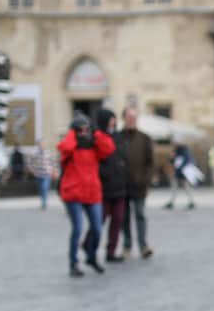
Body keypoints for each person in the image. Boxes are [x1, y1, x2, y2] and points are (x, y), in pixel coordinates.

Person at [58, 111, 115, 277]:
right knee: (77, 228)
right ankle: (73, 263)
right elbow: (65, 147)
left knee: (97, 228)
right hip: (73, 192)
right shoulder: (71, 148)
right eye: (80, 130)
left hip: (92, 192)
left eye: (86, 129)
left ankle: (91, 255)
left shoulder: (93, 147)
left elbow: (109, 147)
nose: (84, 133)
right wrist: (72, 132)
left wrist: (95, 131)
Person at [118, 107, 154, 259]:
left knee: (140, 214)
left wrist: (146, 180)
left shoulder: (144, 138)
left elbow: (150, 162)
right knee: (124, 217)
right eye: (129, 117)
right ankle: (127, 246)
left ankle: (143, 245)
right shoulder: (117, 137)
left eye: (134, 117)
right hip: (122, 186)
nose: (132, 120)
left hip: (139, 185)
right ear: (124, 119)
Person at [97, 109, 129, 263]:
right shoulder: (98, 137)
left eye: (114, 119)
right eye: (111, 119)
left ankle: (111, 250)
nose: (113, 122)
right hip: (104, 188)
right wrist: (105, 173)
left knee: (118, 219)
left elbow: (123, 157)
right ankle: (90, 246)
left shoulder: (118, 137)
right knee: (100, 220)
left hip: (119, 187)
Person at [165, 144, 200, 209]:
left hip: (182, 174)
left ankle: (191, 202)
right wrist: (171, 158)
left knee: (184, 188)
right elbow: (173, 162)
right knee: (176, 188)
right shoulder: (179, 153)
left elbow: (185, 163)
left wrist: (179, 168)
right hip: (178, 173)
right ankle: (172, 202)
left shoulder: (184, 153)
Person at [29, 139, 57, 209]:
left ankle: (44, 202)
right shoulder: (35, 154)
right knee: (41, 189)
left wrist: (54, 171)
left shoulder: (49, 153)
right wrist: (33, 170)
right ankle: (43, 200)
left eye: (43, 144)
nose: (42, 145)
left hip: (47, 174)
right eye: (40, 144)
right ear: (38, 145)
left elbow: (53, 163)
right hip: (38, 174)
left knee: (44, 187)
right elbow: (30, 163)